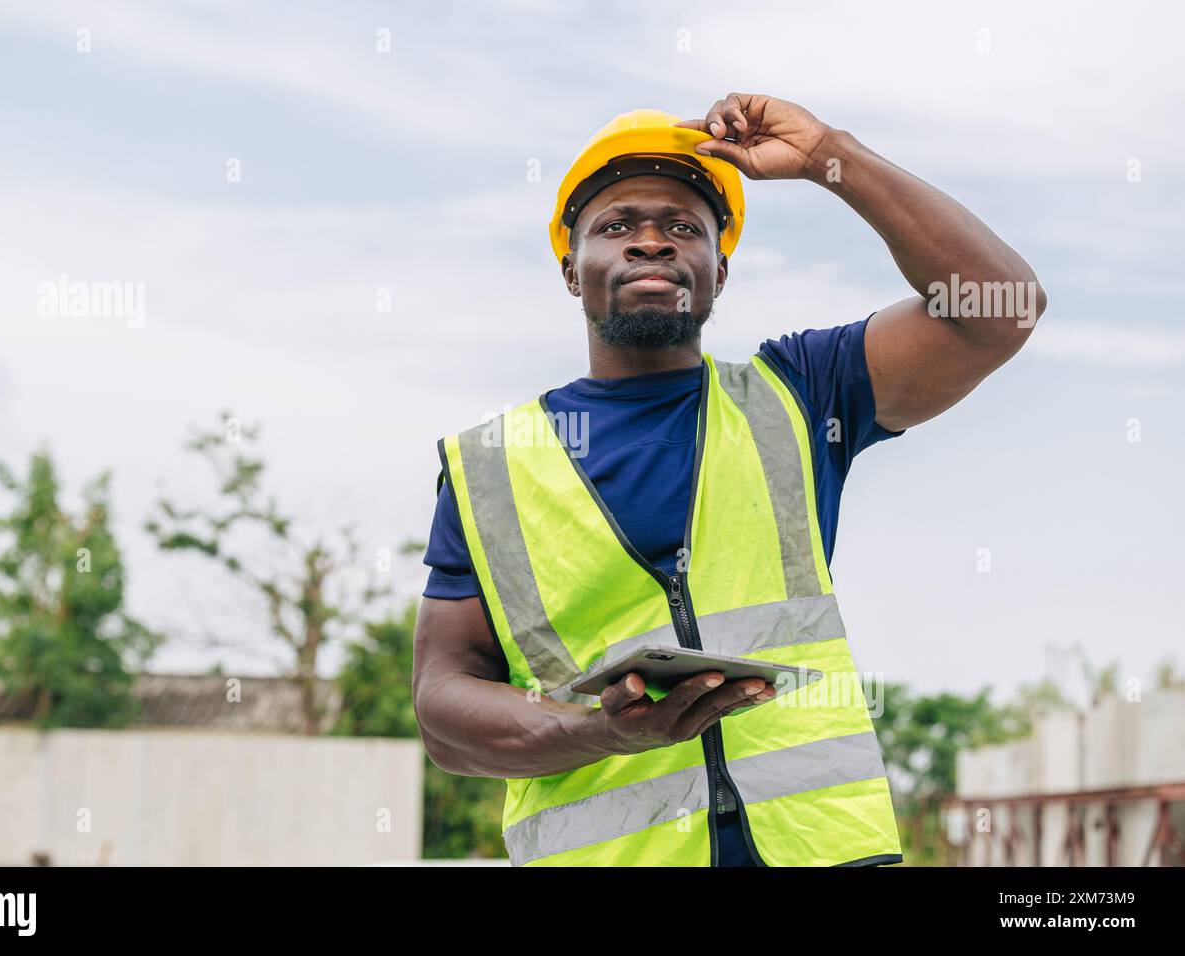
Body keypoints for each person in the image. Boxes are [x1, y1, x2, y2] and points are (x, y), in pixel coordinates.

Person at [411, 94, 1046, 867]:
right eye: (616, 226)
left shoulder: (801, 393)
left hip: (821, 855)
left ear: (720, 271)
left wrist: (827, 158)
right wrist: (603, 732)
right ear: (573, 272)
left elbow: (1000, 308)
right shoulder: (488, 467)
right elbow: (444, 712)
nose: (651, 242)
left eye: (685, 228)